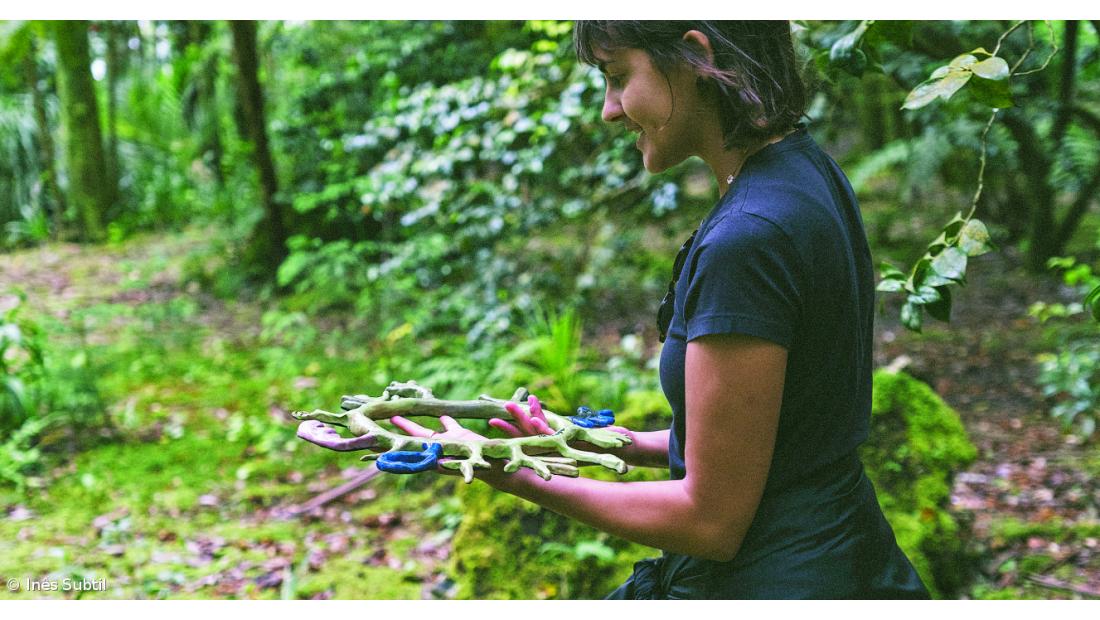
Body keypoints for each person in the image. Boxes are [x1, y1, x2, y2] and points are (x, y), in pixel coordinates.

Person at [390, 20, 930, 599]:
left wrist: (508, 472)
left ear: (694, 57)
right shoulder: (805, 172)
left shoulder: (748, 239)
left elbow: (711, 520)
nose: (609, 109)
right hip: (843, 555)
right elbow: (774, 440)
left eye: (619, 77)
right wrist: (582, 441)